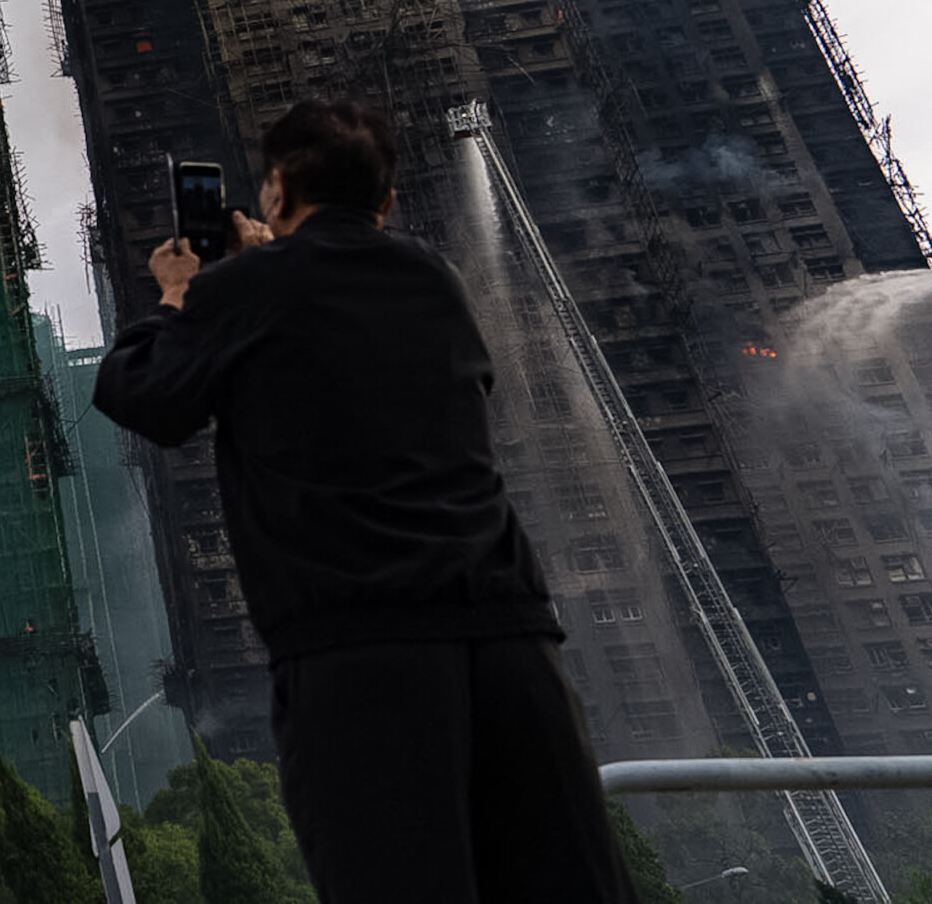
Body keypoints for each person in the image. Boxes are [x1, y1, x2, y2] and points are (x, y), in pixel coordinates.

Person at [92, 98, 635, 904]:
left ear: (275, 192)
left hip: (362, 655)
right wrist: (264, 265)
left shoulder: (243, 290)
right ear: (383, 202)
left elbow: (144, 396)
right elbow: (336, 327)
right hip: (512, 642)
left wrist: (178, 292)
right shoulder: (435, 280)